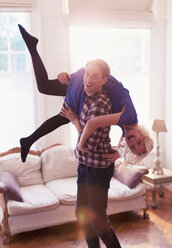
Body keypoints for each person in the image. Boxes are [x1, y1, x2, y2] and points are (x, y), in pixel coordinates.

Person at [18, 24, 150, 164]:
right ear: (144, 135)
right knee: (67, 114)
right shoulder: (128, 116)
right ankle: (28, 140)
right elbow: (93, 122)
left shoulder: (127, 128)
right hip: (93, 81)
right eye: (139, 142)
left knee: (47, 90)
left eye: (133, 147)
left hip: (91, 83)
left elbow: (122, 141)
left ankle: (28, 140)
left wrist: (119, 153)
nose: (133, 142)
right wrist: (80, 144)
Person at [61, 58, 122, 248]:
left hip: (97, 168)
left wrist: (76, 121)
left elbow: (89, 145)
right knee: (82, 213)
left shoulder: (101, 104)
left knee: (98, 220)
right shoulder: (87, 98)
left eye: (94, 75)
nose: (88, 79)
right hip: (85, 165)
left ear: (104, 80)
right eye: (87, 74)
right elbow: (84, 142)